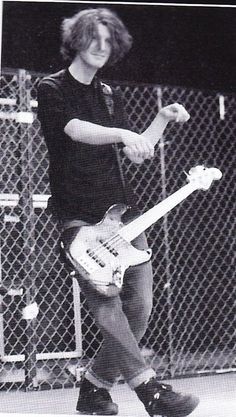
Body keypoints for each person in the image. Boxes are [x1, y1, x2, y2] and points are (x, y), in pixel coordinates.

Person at [37, 7, 199, 417]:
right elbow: (74, 129)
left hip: (123, 215)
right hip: (78, 215)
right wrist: (123, 132)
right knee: (106, 299)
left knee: (140, 305)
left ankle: (94, 389)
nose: (101, 47)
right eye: (94, 38)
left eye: (109, 42)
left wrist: (160, 120)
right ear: (77, 39)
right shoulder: (51, 87)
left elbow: (135, 152)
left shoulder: (110, 95)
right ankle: (152, 393)